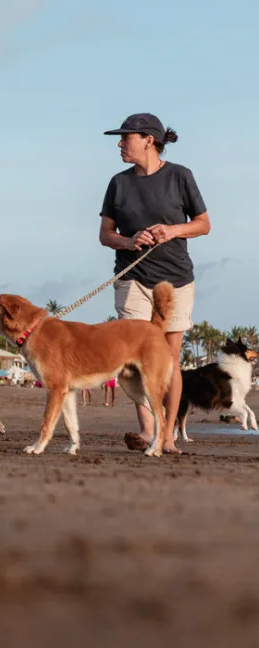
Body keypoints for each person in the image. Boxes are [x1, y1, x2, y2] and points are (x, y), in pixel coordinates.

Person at [99, 113, 210, 454]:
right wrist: (130, 241)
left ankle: (168, 437)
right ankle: (148, 430)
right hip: (132, 277)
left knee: (171, 359)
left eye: (126, 137)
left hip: (176, 279)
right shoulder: (118, 182)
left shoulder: (180, 176)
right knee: (135, 355)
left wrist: (172, 230)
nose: (120, 143)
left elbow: (203, 224)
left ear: (148, 139)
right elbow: (106, 235)